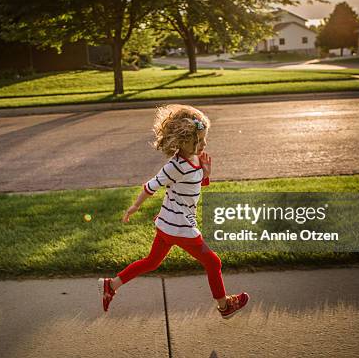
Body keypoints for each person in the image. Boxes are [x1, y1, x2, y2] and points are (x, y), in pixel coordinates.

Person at [98, 104, 250, 319]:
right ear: (182, 141)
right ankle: (225, 306)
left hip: (168, 224)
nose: (203, 144)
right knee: (213, 262)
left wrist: (206, 173)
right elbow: (151, 186)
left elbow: (193, 186)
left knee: (152, 262)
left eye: (205, 139)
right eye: (198, 140)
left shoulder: (196, 159)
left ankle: (111, 285)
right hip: (180, 227)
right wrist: (134, 206)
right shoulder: (174, 165)